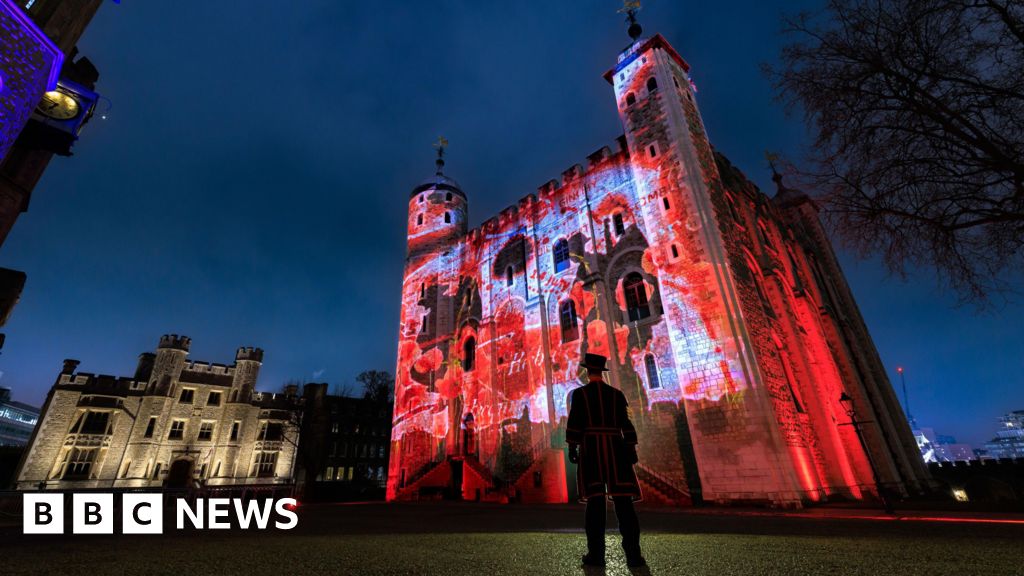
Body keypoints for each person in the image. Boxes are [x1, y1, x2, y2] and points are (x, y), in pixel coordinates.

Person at [566, 353, 645, 568]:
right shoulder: (616, 395)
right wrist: (630, 446)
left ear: (586, 371)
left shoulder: (580, 395)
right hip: (615, 448)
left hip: (592, 448)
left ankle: (597, 555)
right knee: (624, 505)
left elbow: (575, 421)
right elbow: (625, 423)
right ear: (602, 371)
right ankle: (634, 556)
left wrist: (572, 445)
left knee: (595, 503)